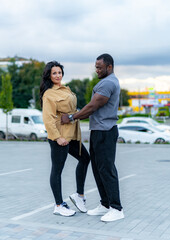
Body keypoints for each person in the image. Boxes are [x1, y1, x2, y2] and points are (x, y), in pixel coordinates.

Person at [61, 53, 124, 222]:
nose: (96, 70)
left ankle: (116, 208)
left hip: (106, 132)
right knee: (97, 169)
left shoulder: (109, 83)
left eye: (99, 67)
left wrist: (72, 117)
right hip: (98, 131)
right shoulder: (105, 82)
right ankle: (105, 204)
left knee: (107, 169)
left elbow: (92, 106)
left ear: (109, 67)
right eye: (96, 67)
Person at [40, 61, 90, 217]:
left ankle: (79, 195)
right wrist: (57, 137)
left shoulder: (65, 89)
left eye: (59, 72)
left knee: (85, 159)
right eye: (54, 73)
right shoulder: (49, 94)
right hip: (60, 137)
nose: (57, 75)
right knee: (57, 170)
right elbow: (48, 119)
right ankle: (58, 205)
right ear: (49, 75)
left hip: (72, 134)